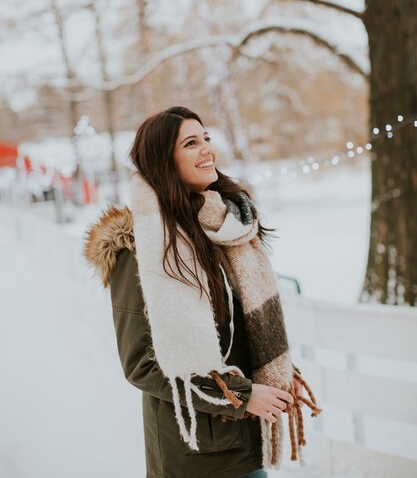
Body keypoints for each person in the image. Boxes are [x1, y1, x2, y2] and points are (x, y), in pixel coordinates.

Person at [84, 106, 321, 478]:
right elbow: (141, 365)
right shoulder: (141, 249)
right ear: (164, 160)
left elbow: (242, 328)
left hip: (245, 442)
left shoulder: (227, 229)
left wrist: (271, 371)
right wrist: (240, 396)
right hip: (193, 454)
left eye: (206, 138)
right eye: (191, 143)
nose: (207, 149)